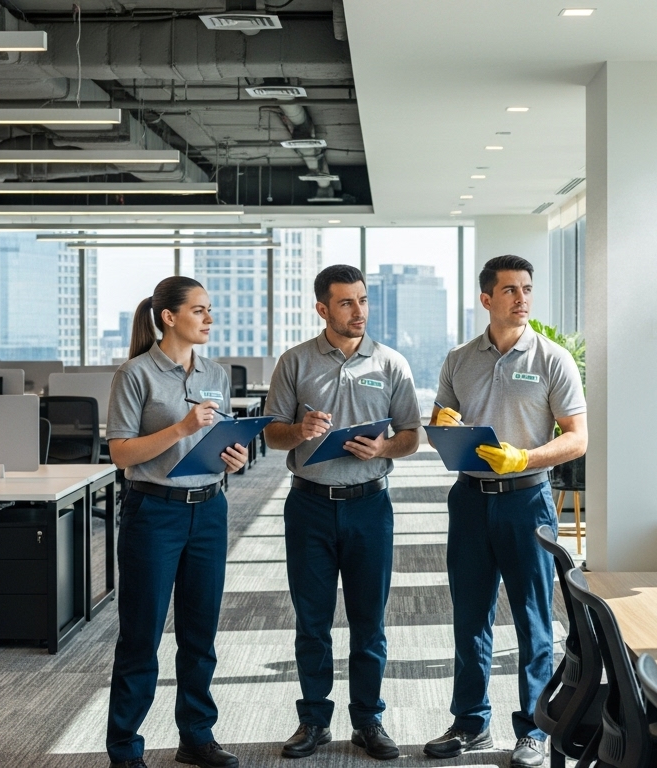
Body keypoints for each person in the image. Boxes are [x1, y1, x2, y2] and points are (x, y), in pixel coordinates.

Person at [426, 255, 587, 768]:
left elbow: (578, 440)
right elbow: (440, 424)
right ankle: (471, 722)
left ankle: (534, 730)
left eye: (527, 289)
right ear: (486, 299)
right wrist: (443, 422)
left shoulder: (552, 359)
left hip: (527, 500)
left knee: (533, 619)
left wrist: (525, 457)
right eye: (511, 290)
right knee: (469, 616)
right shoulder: (459, 359)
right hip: (470, 500)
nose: (522, 299)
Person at [263, 264, 422, 761]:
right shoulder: (294, 362)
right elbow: (271, 435)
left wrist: (383, 450)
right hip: (308, 506)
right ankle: (313, 720)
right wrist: (301, 430)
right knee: (311, 620)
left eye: (363, 300)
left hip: (369, 506)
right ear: (322, 308)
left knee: (368, 621)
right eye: (347, 302)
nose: (359, 311)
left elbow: (412, 437)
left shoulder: (391, 363)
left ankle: (369, 721)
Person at [105, 276, 250, 768]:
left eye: (210, 310)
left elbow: (220, 438)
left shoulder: (215, 371)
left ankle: (196, 735)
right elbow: (122, 453)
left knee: (199, 633)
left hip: (209, 509)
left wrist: (233, 456)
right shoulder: (136, 374)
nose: (209, 319)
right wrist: (182, 428)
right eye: (200, 311)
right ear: (169, 317)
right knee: (141, 636)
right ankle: (124, 747)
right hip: (154, 512)